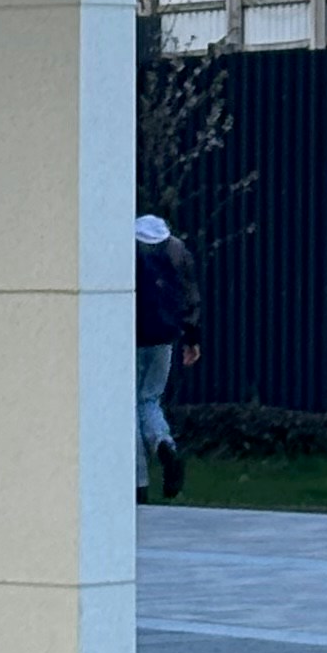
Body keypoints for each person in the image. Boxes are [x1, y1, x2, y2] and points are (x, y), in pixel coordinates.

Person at [135, 210, 201, 501]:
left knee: (128, 406)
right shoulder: (176, 249)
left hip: (132, 339)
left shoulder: (127, 249)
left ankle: (137, 483)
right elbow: (190, 295)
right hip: (165, 337)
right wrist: (192, 338)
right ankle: (164, 444)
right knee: (150, 399)